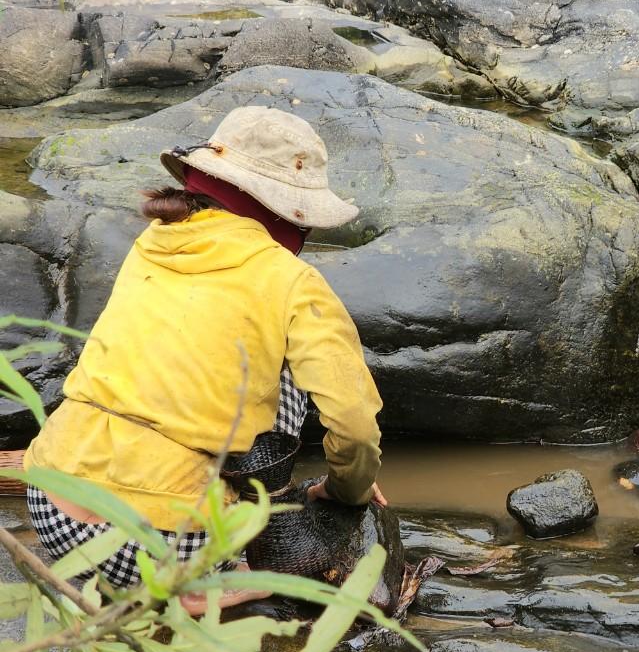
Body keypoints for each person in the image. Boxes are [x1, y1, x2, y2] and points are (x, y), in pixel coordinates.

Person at [24, 106, 386, 614]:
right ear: (284, 211)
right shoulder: (291, 280)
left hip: (49, 505)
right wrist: (350, 489)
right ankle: (208, 582)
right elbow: (352, 419)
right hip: (156, 542)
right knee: (284, 384)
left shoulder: (153, 242)